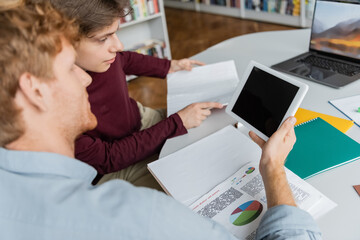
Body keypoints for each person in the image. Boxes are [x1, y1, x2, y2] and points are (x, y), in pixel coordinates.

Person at [0, 1, 321, 239]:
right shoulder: (137, 214)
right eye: (71, 67)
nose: (85, 80)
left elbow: (126, 59)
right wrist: (273, 168)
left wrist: (169, 69)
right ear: (35, 89)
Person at [41, 0, 224, 188]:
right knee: (183, 184)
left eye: (115, 33)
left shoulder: (105, 57)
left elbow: (125, 59)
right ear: (62, 44)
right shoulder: (56, 104)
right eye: (104, 39)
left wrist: (169, 66)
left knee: (210, 124)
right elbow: (108, 159)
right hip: (115, 166)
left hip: (140, 121)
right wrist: (177, 123)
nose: (118, 46)